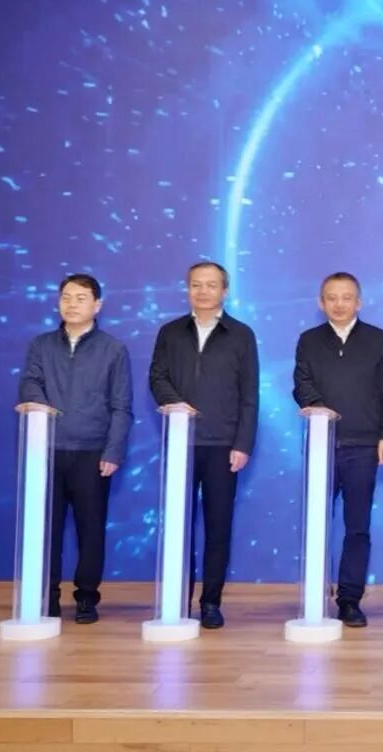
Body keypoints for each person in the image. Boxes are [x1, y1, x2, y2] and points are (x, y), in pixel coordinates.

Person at [149, 261, 258, 630]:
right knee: (179, 525)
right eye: (196, 284)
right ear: (188, 289)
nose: (203, 291)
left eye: (211, 285)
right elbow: (157, 377)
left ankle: (211, 601)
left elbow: (249, 395)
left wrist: (242, 443)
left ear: (224, 290)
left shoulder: (241, 335)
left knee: (217, 526)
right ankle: (177, 599)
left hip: (223, 444)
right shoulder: (170, 332)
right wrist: (175, 403)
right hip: (181, 442)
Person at [19, 273, 132, 624]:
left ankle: (86, 598)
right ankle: (46, 597)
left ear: (97, 305)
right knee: (46, 530)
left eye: (81, 298)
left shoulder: (113, 349)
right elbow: (30, 383)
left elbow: (121, 406)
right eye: (66, 297)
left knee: (90, 529)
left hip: (92, 451)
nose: (71, 304)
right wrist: (39, 405)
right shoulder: (41, 345)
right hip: (47, 451)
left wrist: (113, 451)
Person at [293, 272, 383, 628]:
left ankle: (350, 599)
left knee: (357, 527)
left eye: (347, 297)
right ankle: (314, 590)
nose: (339, 304)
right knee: (316, 522)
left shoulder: (377, 339)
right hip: (321, 444)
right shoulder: (309, 340)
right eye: (332, 297)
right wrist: (318, 408)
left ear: (359, 302)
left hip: (363, 446)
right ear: (321, 302)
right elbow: (301, 383)